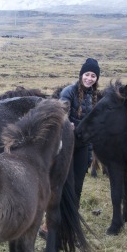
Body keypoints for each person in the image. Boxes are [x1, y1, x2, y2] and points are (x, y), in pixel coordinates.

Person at [39, 58, 100, 239]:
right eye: (87, 74)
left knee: (78, 186)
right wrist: (73, 125)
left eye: (93, 76)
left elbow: (90, 129)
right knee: (61, 185)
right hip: (66, 147)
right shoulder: (69, 92)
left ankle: (69, 223)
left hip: (82, 146)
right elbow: (62, 118)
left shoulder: (92, 96)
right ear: (81, 74)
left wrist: (89, 154)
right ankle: (48, 225)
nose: (89, 78)